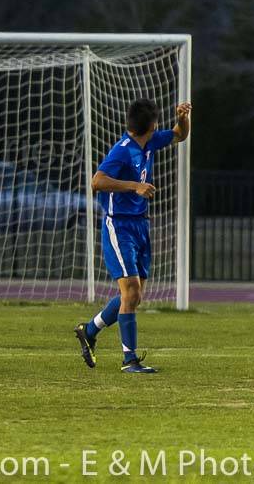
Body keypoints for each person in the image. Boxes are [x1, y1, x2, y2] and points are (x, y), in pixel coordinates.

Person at [74, 99, 191, 373]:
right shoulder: (123, 151)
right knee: (131, 292)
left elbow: (179, 134)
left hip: (140, 226)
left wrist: (183, 117)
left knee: (134, 297)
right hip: (120, 227)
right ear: (152, 124)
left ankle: (89, 331)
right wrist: (133, 186)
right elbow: (97, 181)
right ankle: (129, 360)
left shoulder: (148, 142)